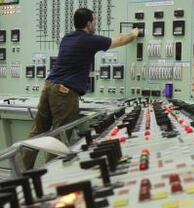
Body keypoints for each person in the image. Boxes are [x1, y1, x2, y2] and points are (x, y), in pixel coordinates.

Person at [22, 8, 140, 170]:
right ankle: (48, 176)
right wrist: (134, 34)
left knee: (37, 132)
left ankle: (22, 170)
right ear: (88, 23)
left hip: (48, 87)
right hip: (64, 92)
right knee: (60, 135)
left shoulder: (67, 38)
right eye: (94, 21)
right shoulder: (88, 40)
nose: (95, 25)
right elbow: (119, 40)